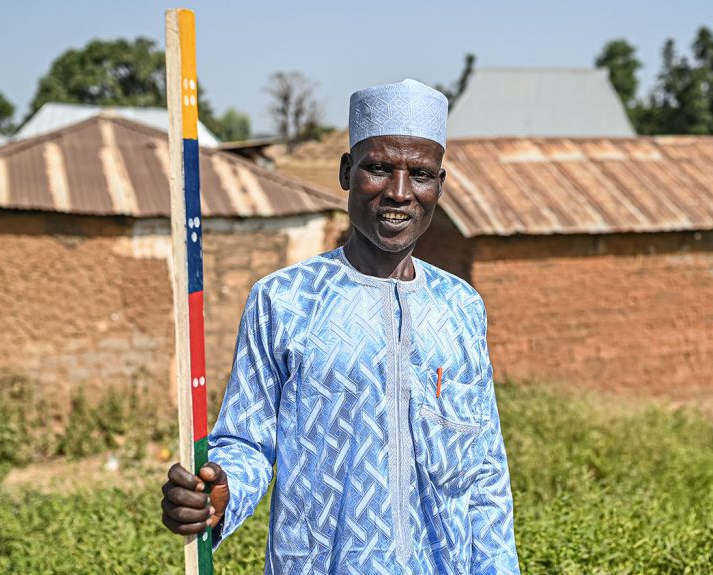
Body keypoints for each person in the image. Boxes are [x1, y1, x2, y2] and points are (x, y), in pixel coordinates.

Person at [162, 79, 520, 574]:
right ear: (347, 172)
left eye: (420, 174)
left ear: (439, 184)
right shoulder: (284, 301)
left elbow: (484, 472)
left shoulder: (461, 307)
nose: (399, 193)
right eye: (379, 169)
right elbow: (247, 442)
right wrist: (221, 492)